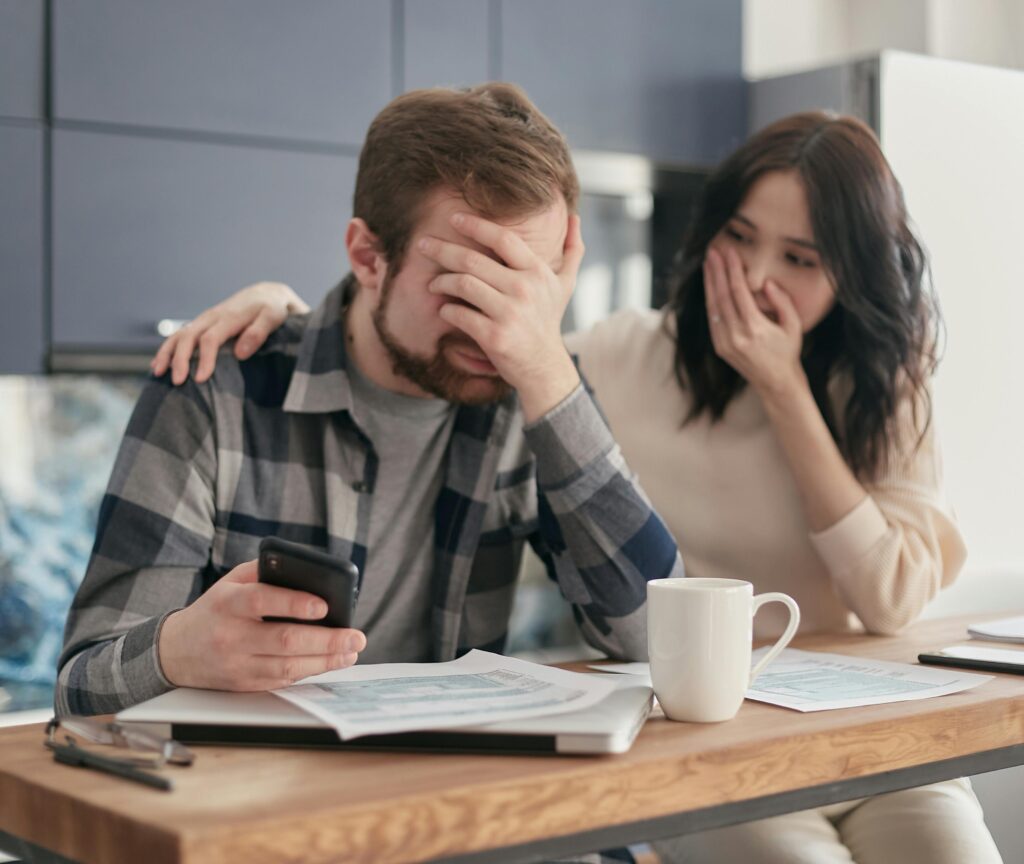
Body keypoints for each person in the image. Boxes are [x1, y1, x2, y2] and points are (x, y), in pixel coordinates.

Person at [160, 111, 1002, 863]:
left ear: (849, 275)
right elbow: (418, 337)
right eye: (738, 239)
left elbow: (890, 599)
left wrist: (783, 390)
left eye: (799, 258)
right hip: (704, 742)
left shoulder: (885, 388)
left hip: (866, 736)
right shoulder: (619, 355)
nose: (753, 279)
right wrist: (292, 314)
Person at [56, 83, 685, 725]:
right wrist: (174, 651)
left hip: (452, 802)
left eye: (526, 286)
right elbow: (79, 688)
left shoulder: (535, 390)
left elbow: (658, 642)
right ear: (367, 256)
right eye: (469, 284)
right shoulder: (216, 390)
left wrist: (549, 371)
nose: (500, 327)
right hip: (255, 805)